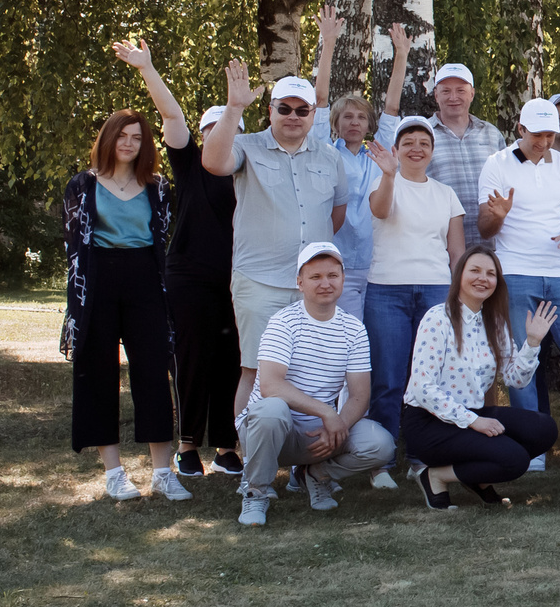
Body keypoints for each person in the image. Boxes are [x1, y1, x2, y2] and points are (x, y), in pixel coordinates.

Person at [111, 42, 242, 481]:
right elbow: (171, 117)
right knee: (189, 358)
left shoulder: (246, 168)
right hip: (188, 277)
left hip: (237, 279)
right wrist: (148, 68)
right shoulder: (188, 164)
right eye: (210, 129)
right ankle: (187, 445)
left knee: (233, 358)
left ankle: (226, 446)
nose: (216, 136)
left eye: (226, 128)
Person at [202, 62, 351, 444]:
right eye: (284, 108)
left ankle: (308, 465)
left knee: (316, 373)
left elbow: (335, 214)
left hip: (312, 287)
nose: (293, 116)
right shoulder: (246, 146)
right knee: (254, 371)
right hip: (260, 283)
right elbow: (212, 162)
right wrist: (234, 107)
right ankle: (251, 461)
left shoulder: (330, 156)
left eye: (302, 110)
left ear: (313, 114)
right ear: (270, 110)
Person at [61, 100, 181, 501]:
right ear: (108, 140)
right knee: (97, 374)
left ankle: (163, 473)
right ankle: (114, 474)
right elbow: (75, 249)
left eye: (137, 138)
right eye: (122, 136)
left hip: (145, 279)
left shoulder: (157, 186)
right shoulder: (82, 184)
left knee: (152, 372)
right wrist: (76, 306)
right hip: (97, 280)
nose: (128, 144)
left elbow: (162, 240)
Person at [234, 243, 395, 527]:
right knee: (271, 409)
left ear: (343, 279)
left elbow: (360, 396)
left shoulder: (354, 330)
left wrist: (338, 424)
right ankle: (255, 491)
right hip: (271, 433)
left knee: (380, 444)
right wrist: (328, 413)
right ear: (300, 282)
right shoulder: (283, 322)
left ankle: (316, 474)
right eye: (315, 277)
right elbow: (271, 386)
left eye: (332, 275)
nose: (325, 283)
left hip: (318, 434)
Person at [402, 248, 560, 507]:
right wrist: (474, 420)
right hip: (428, 423)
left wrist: (532, 343)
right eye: (474, 270)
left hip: (471, 414)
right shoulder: (437, 318)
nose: (483, 278)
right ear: (459, 275)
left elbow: (515, 380)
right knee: (515, 460)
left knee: (543, 429)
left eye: (490, 273)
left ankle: (476, 475)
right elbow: (422, 388)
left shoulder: (495, 322)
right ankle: (435, 476)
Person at [474, 97, 560, 416]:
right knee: (521, 359)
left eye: (549, 135)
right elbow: (485, 229)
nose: (543, 142)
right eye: (536, 135)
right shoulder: (497, 163)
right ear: (520, 129)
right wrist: (499, 215)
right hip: (514, 273)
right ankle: (532, 449)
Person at [363, 117, 466, 441]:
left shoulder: (446, 194)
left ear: (433, 151)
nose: (416, 148)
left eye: (424, 143)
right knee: (389, 377)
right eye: (408, 143)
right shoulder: (381, 183)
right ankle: (383, 457)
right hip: (386, 292)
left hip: (436, 291)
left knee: (431, 377)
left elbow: (457, 253)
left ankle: (425, 450)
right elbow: (380, 211)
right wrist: (389, 174)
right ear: (395, 150)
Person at [307, 1, 409, 321]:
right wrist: (329, 44)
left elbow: (391, 108)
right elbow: (320, 100)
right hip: (337, 266)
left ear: (368, 125)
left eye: (361, 117)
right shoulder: (325, 152)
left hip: (377, 265)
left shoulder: (377, 155)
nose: (354, 122)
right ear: (335, 124)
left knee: (372, 342)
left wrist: (402, 55)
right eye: (347, 117)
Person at [394, 59, 504, 248]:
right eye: (446, 91)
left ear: (472, 94)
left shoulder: (492, 134)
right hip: (439, 248)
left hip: (493, 247)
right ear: (436, 95)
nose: (453, 97)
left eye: (461, 90)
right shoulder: (420, 138)